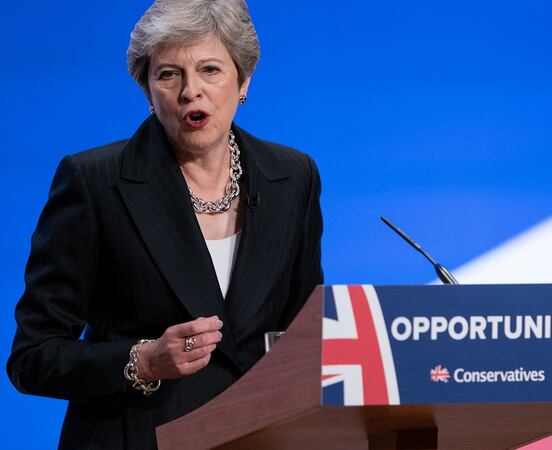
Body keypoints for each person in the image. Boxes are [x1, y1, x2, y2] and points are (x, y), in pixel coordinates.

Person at [6, 1, 323, 448]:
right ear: (147, 92)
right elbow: (32, 357)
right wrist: (144, 361)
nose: (191, 91)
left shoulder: (292, 177)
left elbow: (302, 335)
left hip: (260, 435)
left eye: (210, 69)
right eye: (168, 74)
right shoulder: (95, 181)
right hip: (137, 437)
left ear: (244, 79)